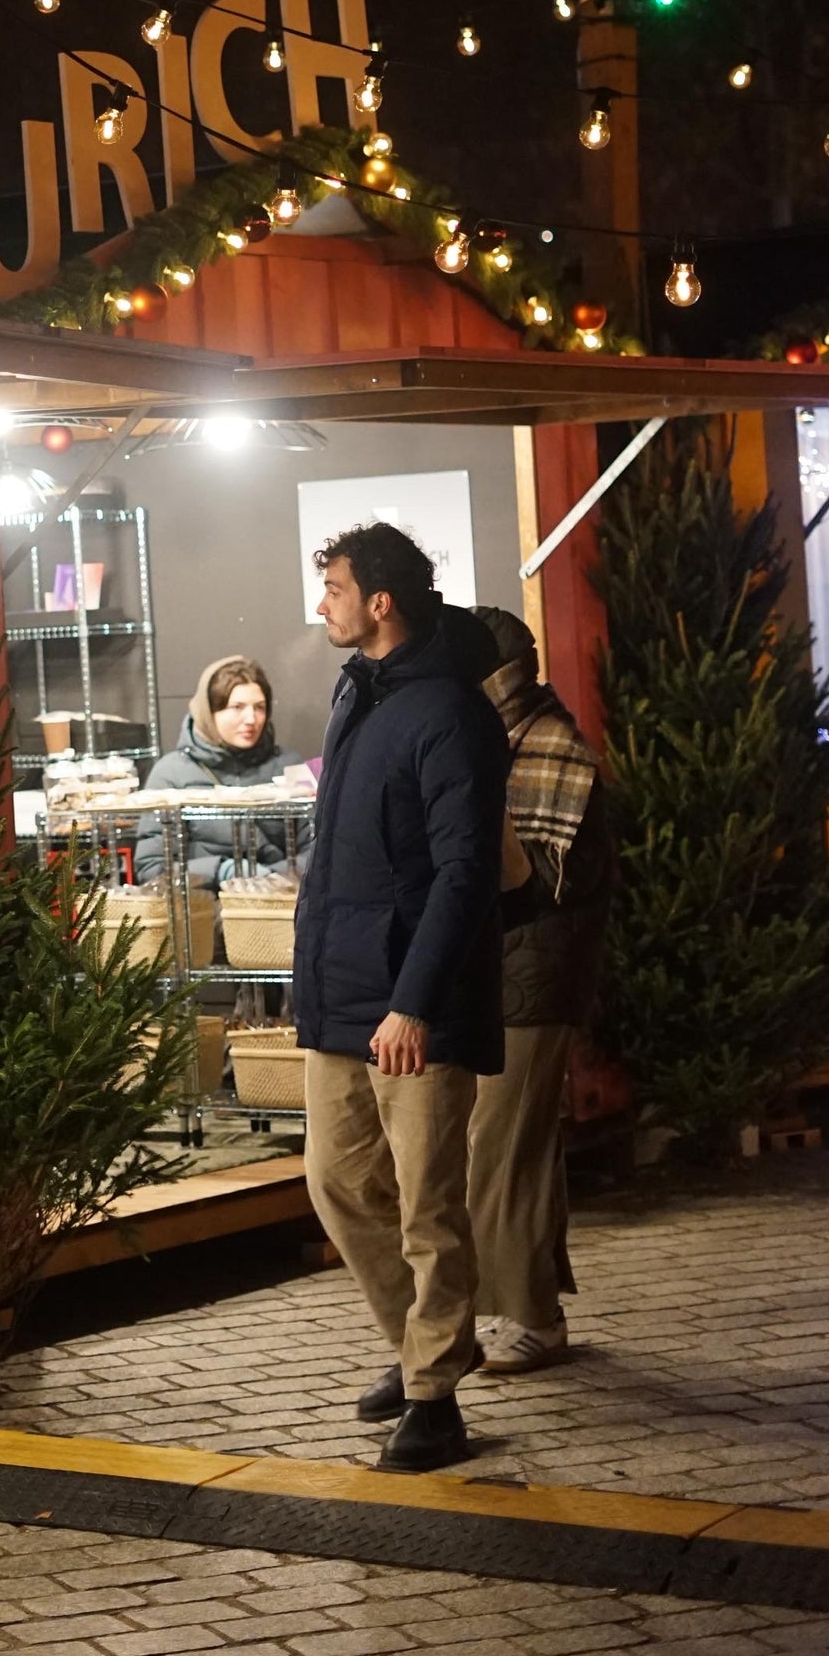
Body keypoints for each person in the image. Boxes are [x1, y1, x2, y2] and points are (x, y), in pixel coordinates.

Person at [295, 522, 508, 1473]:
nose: (324, 605)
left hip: (414, 1004)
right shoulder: (357, 692)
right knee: (338, 1185)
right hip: (341, 994)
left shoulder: (451, 713)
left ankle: (434, 1396)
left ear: (380, 602)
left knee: (428, 1205)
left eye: (336, 588)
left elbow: (465, 873)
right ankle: (424, 1344)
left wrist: (415, 1002)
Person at [466, 605, 613, 1375]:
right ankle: (537, 1312)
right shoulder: (509, 740)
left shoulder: (549, 747)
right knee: (520, 1144)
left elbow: (548, 882)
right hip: (512, 973)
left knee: (503, 1148)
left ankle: (523, 1315)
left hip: (535, 978)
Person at [133, 654, 287, 887]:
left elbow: (317, 851)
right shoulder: (171, 774)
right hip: (203, 903)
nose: (251, 719)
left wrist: (270, 879)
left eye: (259, 707)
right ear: (209, 711)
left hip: (277, 900)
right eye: (237, 707)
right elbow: (152, 868)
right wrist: (222, 871)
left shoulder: (286, 766)